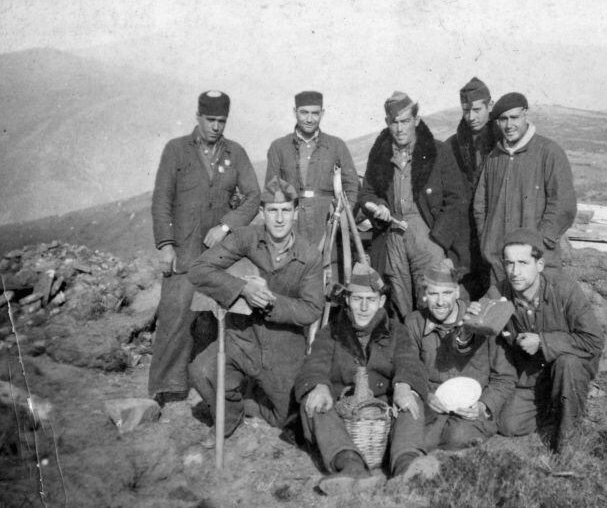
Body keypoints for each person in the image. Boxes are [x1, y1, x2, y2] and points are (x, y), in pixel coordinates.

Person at [187, 177, 323, 445]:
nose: (280, 219)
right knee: (202, 371)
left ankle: (249, 400)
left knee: (286, 418)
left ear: (296, 213)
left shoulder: (309, 256)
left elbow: (311, 309)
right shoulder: (244, 238)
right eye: (273, 211)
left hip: (283, 345)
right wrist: (242, 288)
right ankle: (230, 414)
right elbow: (198, 269)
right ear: (262, 213)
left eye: (286, 210)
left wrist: (270, 301)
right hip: (242, 339)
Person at [149, 90, 260, 404]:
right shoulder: (176, 150)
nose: (215, 126)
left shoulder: (235, 153)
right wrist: (166, 245)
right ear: (198, 117)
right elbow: (161, 200)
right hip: (183, 249)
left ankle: (210, 382)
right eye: (210, 119)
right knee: (175, 313)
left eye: (221, 121)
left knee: (215, 317)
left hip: (217, 254)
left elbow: (253, 196)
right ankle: (167, 388)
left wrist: (226, 226)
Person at [295, 263, 427, 495]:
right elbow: (315, 363)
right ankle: (350, 466)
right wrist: (319, 386)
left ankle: (406, 466)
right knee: (314, 400)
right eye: (357, 299)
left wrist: (404, 386)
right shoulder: (331, 331)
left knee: (412, 399)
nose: (364, 307)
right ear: (347, 301)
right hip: (344, 411)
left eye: (371, 299)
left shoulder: (397, 330)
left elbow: (409, 361)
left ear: (381, 302)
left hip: (385, 408)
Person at [479, 228, 603, 451]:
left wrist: (543, 342)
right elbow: (478, 329)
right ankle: (556, 410)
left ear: (540, 265)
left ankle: (567, 441)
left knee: (568, 363)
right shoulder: (498, 293)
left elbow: (593, 341)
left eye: (523, 263)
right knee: (508, 424)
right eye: (509, 263)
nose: (515, 271)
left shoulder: (565, 290)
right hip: (532, 378)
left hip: (568, 372)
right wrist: (469, 318)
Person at [359, 91, 468, 320]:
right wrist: (378, 205)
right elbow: (367, 192)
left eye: (405, 121)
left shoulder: (438, 152)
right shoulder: (379, 154)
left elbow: (456, 199)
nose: (400, 129)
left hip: (427, 233)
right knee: (399, 300)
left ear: (416, 120)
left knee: (433, 298)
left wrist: (438, 239)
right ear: (387, 122)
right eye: (394, 122)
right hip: (393, 234)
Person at [404, 259, 516, 450]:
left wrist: (482, 406)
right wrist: (428, 396)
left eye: (447, 293)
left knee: (458, 437)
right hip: (433, 405)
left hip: (471, 410)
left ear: (457, 292)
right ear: (424, 295)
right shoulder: (414, 323)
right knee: (417, 439)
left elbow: (505, 377)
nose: (440, 302)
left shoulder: (480, 319)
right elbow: (409, 370)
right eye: (433, 294)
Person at [473, 92, 577, 283]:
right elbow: (481, 204)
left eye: (514, 117)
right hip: (499, 262)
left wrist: (541, 242)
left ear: (525, 114)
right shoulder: (494, 157)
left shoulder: (549, 152)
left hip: (537, 261)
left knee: (538, 309)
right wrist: (487, 240)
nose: (509, 125)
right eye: (503, 119)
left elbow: (563, 204)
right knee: (503, 310)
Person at [265, 90, 358, 247]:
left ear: (322, 113)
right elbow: (272, 191)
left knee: (327, 267)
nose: (309, 119)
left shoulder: (336, 145)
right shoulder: (279, 147)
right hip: (292, 223)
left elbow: (351, 185)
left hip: (327, 221)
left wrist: (341, 217)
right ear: (295, 112)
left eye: (315, 113)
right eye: (304, 113)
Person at [446, 77, 497, 299]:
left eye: (477, 109)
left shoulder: (501, 144)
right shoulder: (451, 146)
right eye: (466, 110)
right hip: (464, 238)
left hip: (493, 229)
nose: (471, 117)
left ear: (490, 106)